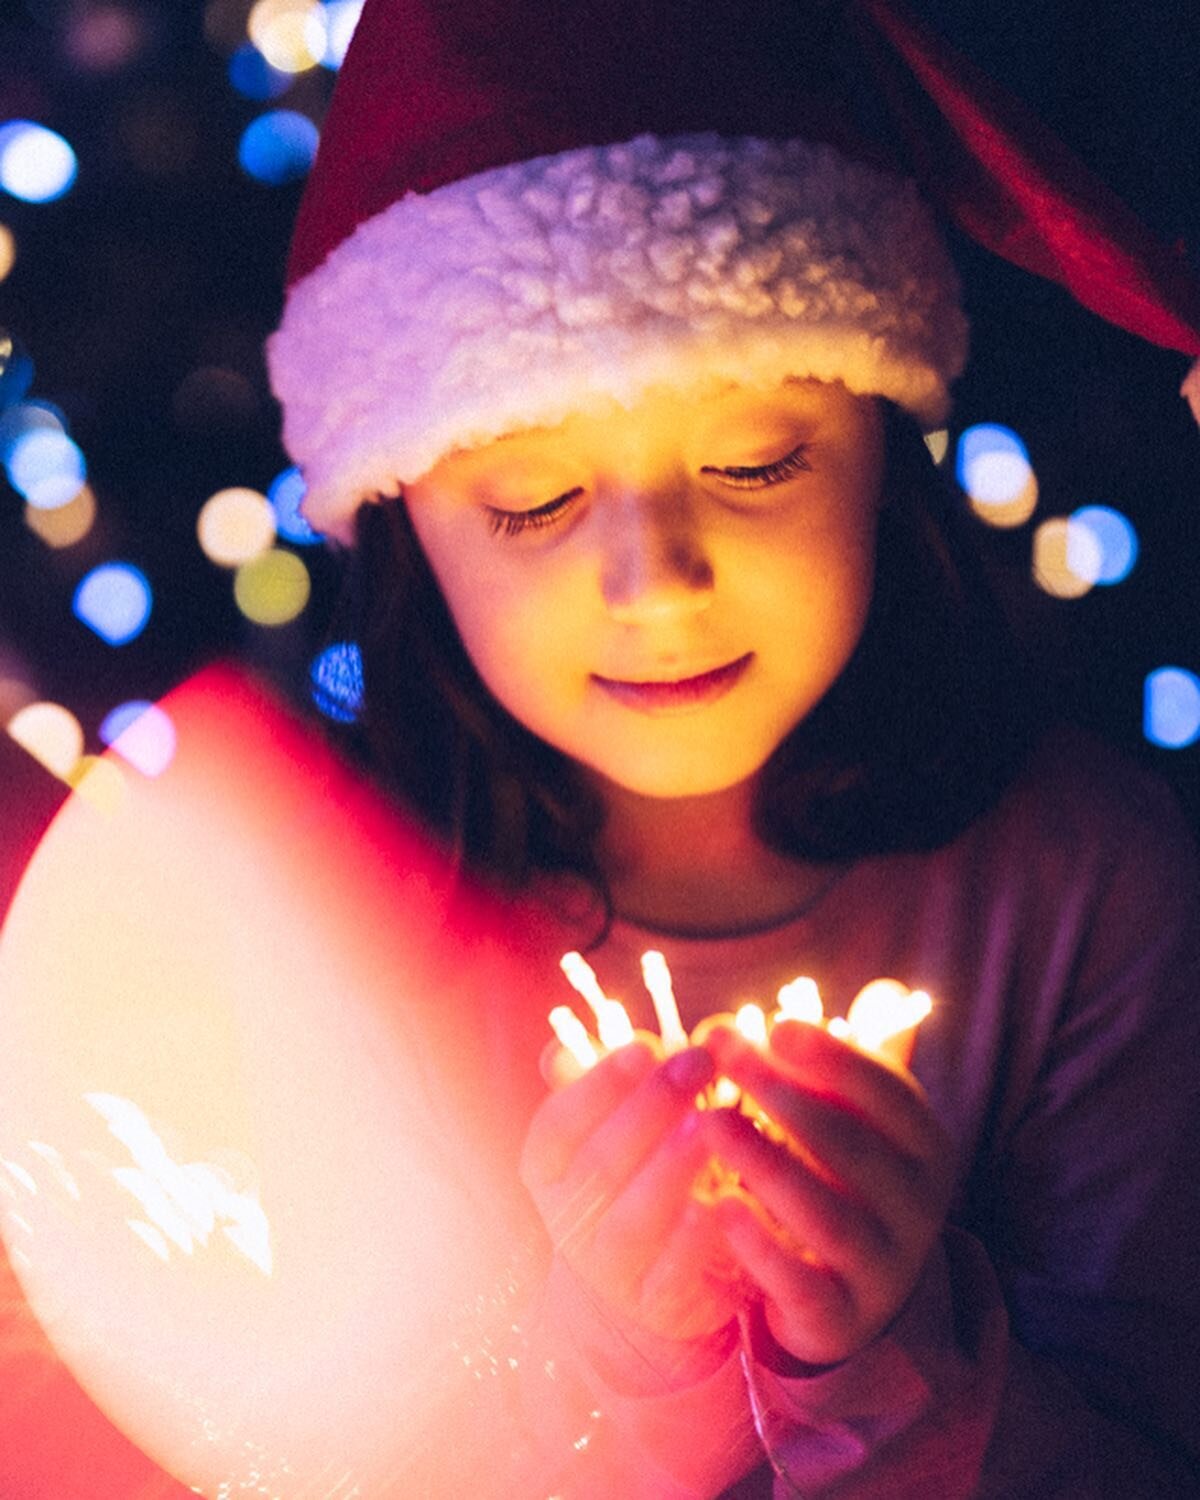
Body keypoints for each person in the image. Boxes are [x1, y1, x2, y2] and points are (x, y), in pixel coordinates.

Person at [265, 0, 1200, 1494]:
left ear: (883, 447)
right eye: (533, 501)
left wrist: (897, 1359)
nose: (656, 581)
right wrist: (623, 1365)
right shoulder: (328, 936)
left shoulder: (1088, 886)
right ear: (403, 529)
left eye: (755, 461)